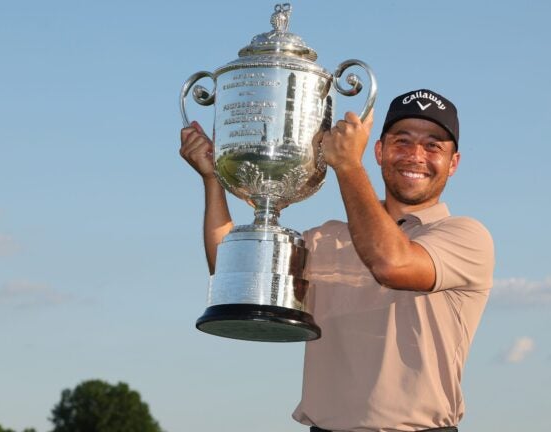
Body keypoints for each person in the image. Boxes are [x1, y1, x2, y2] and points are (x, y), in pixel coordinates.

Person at [180, 89, 495, 432]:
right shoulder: (327, 239)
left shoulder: (466, 236)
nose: (415, 155)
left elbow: (391, 263)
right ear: (380, 151)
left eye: (433, 145)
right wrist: (213, 179)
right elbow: (235, 275)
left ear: (453, 163)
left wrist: (347, 164)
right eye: (401, 141)